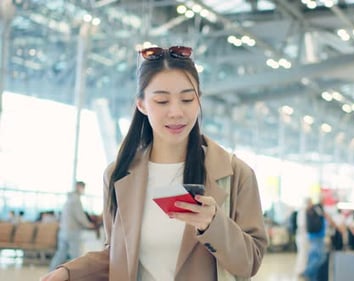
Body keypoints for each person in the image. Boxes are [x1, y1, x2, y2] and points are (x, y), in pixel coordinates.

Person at [40, 45, 268, 281]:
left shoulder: (235, 174)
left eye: (187, 99)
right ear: (141, 104)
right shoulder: (118, 175)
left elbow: (250, 262)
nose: (176, 112)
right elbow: (117, 256)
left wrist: (213, 224)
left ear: (198, 100)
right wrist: (67, 273)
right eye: (161, 101)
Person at [49, 181, 95, 271]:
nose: (83, 190)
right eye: (83, 188)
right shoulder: (76, 200)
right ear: (79, 187)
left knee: (60, 254)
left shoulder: (69, 199)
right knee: (75, 255)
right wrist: (89, 225)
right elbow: (80, 216)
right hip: (72, 232)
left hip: (63, 231)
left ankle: (51, 272)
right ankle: (76, 275)